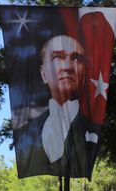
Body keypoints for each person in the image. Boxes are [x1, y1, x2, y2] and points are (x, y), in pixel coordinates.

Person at [12, 34, 100, 177]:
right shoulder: (26, 131)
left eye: (77, 58)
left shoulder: (95, 128)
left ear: (84, 74)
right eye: (58, 57)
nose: (67, 67)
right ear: (43, 73)